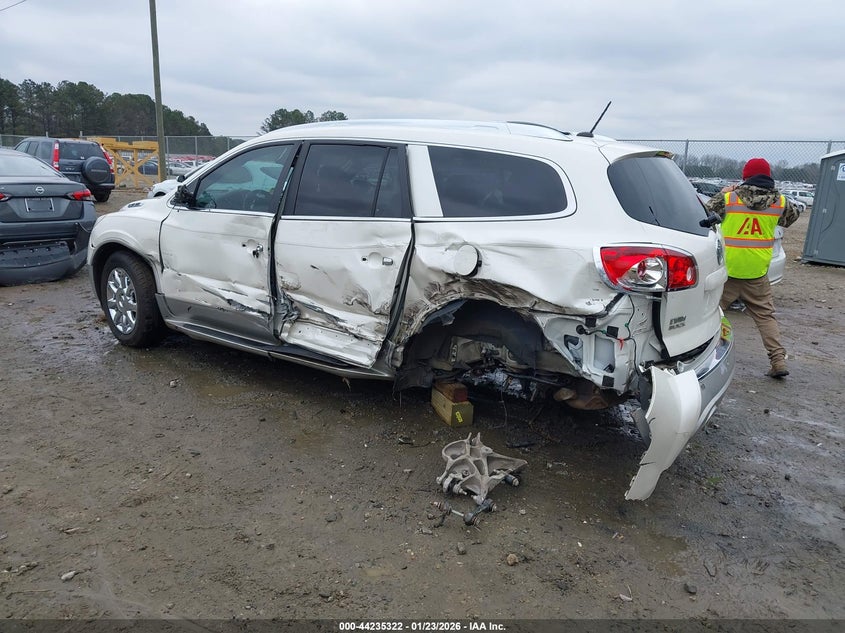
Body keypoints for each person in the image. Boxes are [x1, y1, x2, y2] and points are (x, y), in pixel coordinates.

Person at [705, 157, 800, 378]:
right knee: (765, 316)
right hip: (756, 272)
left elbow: (705, 212)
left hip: (727, 271)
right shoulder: (780, 202)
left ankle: (705, 357)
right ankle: (778, 360)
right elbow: (791, 218)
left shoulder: (729, 198)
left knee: (710, 314)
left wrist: (724, 192)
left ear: (745, 176)